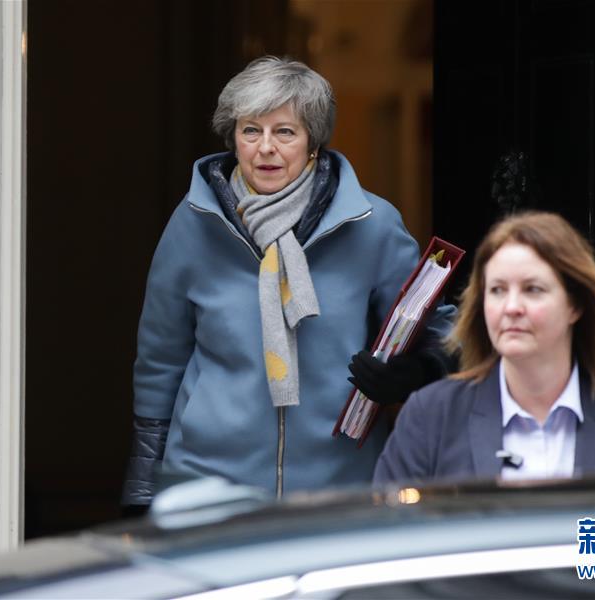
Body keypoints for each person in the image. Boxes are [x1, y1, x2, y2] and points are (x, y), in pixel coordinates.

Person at [121, 56, 455, 511]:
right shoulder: (193, 223)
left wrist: (413, 374)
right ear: (233, 138)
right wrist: (142, 484)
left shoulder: (371, 225)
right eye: (250, 130)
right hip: (208, 481)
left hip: (337, 485)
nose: (266, 148)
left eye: (284, 132)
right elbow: (161, 358)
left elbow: (442, 334)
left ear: (312, 141)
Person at [374, 211, 595, 485]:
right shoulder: (431, 416)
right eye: (497, 290)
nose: (512, 307)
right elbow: (390, 533)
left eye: (533, 289)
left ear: (575, 305)